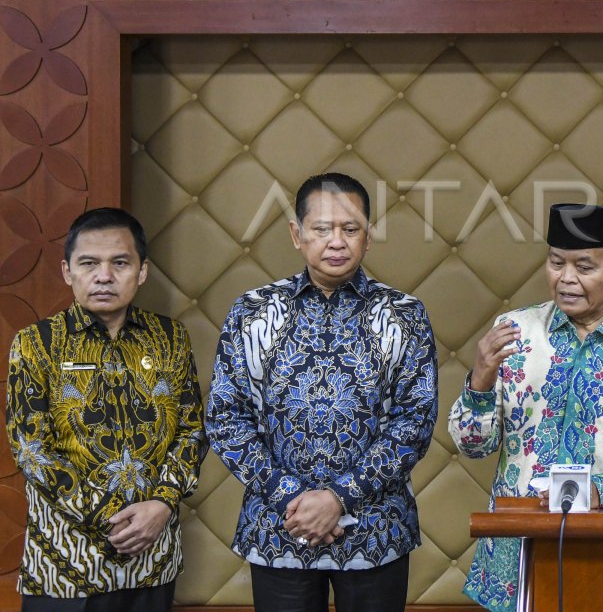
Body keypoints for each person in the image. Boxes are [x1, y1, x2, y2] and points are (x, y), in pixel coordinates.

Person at [450, 203, 603, 612]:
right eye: (556, 263)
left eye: (584, 267)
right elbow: (473, 447)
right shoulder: (513, 332)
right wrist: (480, 377)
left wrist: (601, 491)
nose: (566, 279)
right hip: (515, 557)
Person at [206, 173, 438, 612]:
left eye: (350, 230)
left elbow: (415, 423)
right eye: (322, 229)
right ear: (297, 234)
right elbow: (225, 418)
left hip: (375, 529)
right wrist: (290, 496)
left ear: (368, 237)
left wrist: (338, 499)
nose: (337, 242)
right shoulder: (252, 312)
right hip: (280, 528)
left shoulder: (404, 315)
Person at [6, 208, 206, 612]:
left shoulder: (171, 338)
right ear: (67, 271)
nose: (104, 275)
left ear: (142, 270)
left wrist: (163, 503)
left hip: (152, 559)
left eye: (119, 262)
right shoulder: (35, 343)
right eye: (88, 263)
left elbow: (192, 430)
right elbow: (31, 448)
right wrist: (109, 515)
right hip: (63, 566)